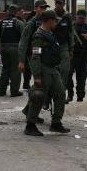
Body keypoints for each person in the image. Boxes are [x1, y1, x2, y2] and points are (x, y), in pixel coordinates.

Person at [24, 9, 70, 137]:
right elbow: (35, 56)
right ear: (50, 21)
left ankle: (56, 123)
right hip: (43, 70)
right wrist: (37, 75)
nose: (56, 23)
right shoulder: (38, 36)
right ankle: (30, 125)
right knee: (39, 96)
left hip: (53, 69)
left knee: (61, 93)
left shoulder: (50, 34)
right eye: (55, 21)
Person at [19, 0, 51, 123]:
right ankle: (30, 111)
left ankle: (30, 110)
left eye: (45, 8)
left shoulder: (45, 21)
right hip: (34, 56)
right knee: (39, 84)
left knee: (41, 84)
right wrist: (21, 61)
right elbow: (23, 42)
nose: (43, 10)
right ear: (36, 8)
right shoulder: (32, 23)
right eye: (41, 7)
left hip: (43, 57)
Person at [50, 0, 80, 103]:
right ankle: (50, 96)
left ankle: (60, 94)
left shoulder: (67, 16)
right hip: (52, 47)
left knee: (65, 71)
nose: (58, 5)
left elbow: (70, 33)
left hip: (64, 47)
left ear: (64, 4)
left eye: (60, 3)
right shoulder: (51, 15)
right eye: (56, 2)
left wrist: (71, 48)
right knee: (52, 71)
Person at [0, 4, 25, 97]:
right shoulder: (18, 22)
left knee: (5, 69)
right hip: (15, 48)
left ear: (8, 11)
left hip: (4, 48)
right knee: (15, 70)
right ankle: (14, 91)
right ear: (16, 12)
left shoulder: (1, 22)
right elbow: (24, 36)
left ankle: (2, 91)